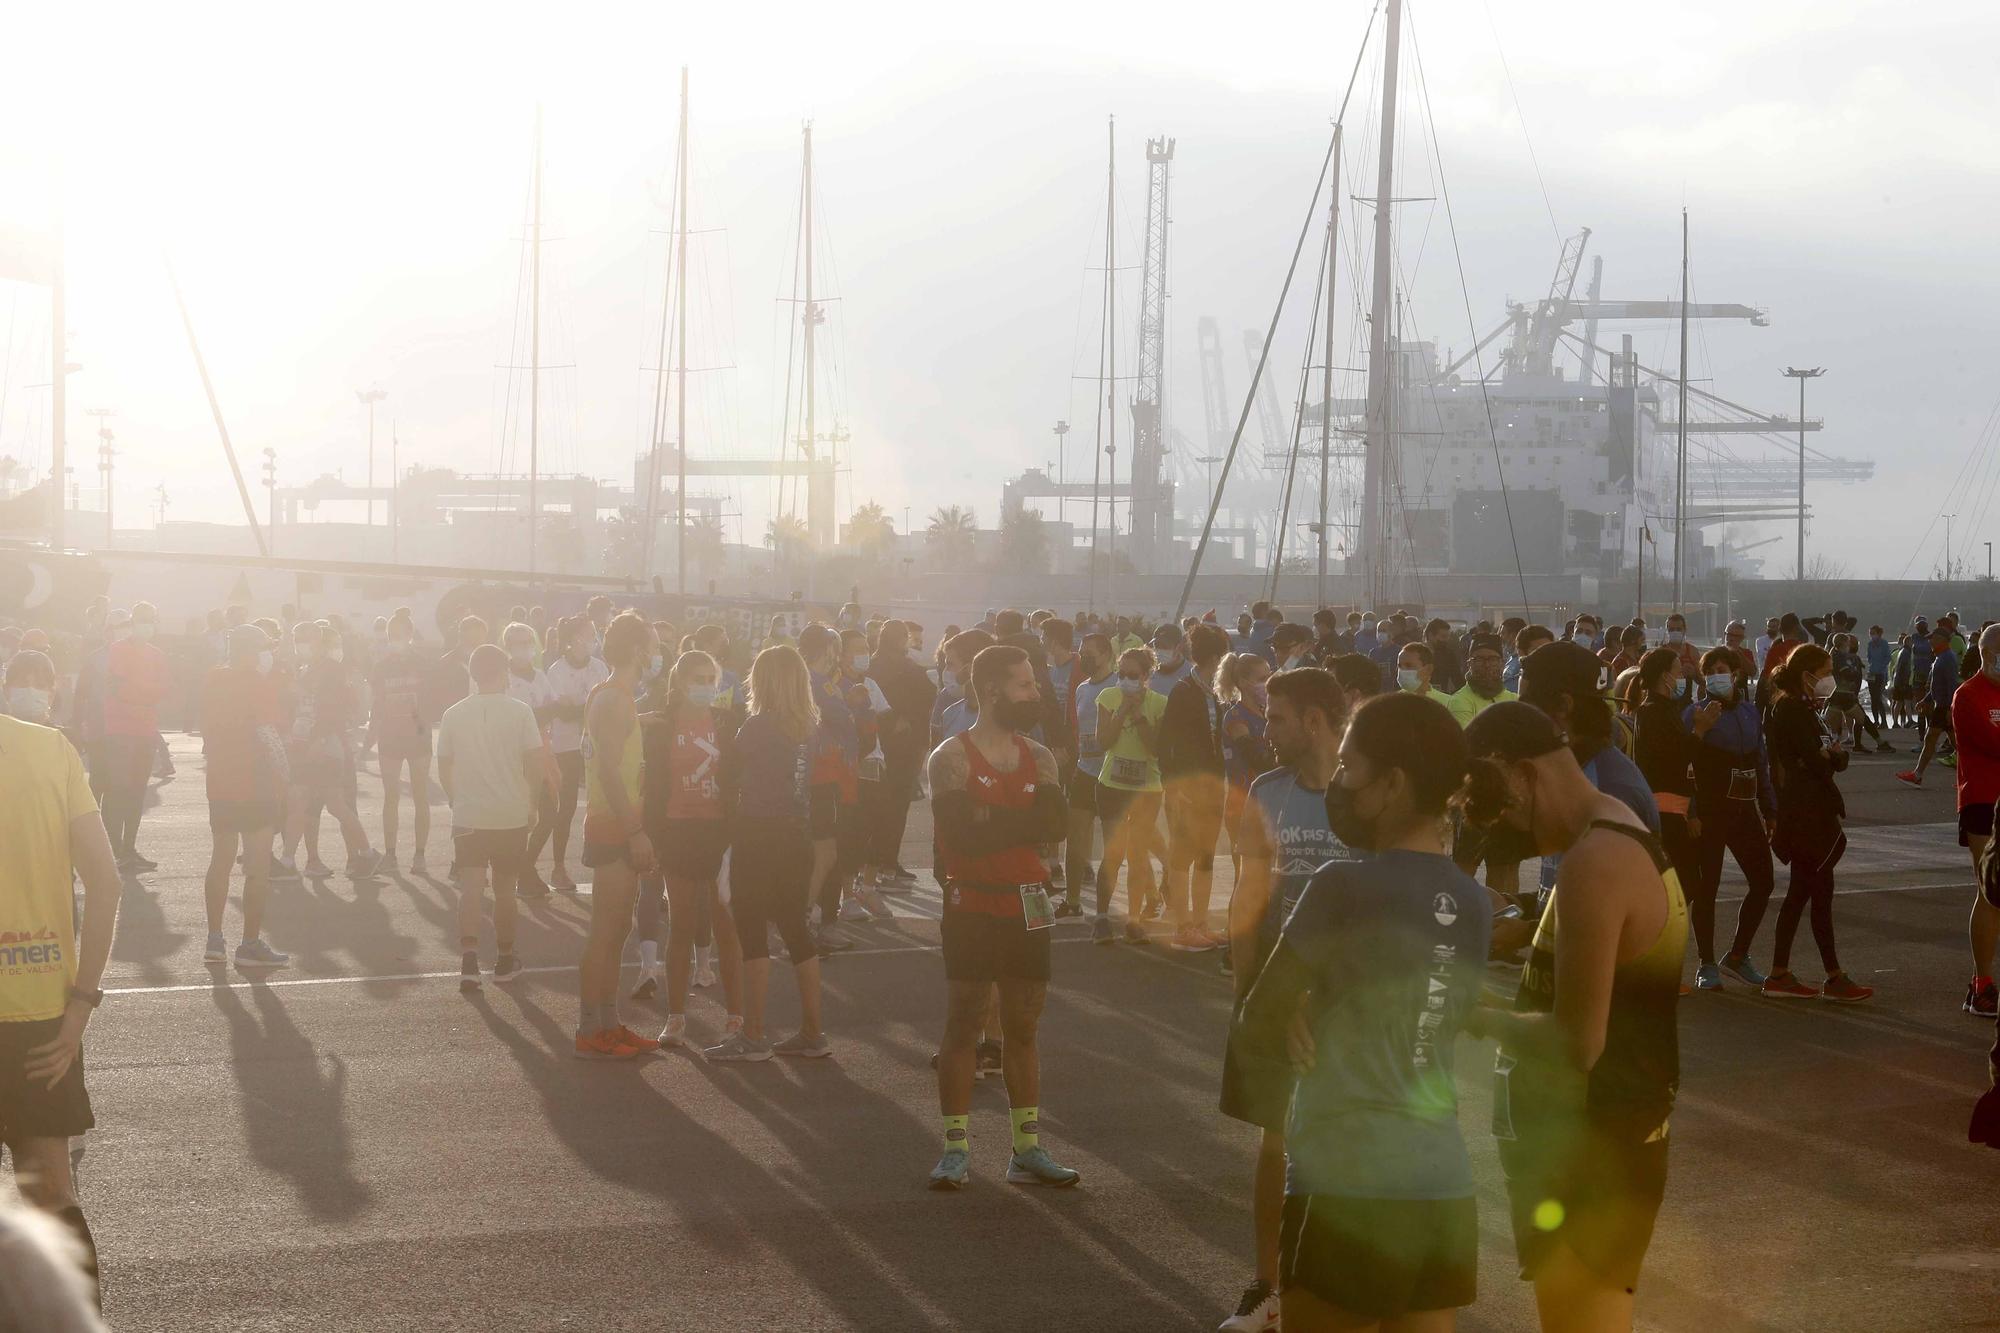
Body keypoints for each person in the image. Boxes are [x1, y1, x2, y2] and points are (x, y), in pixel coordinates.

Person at [1228, 691, 1488, 1332]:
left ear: (1392, 783)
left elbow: (1259, 1018)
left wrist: (1292, 1008)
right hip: (1442, 1186)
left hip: (1346, 1185)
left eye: (1349, 768)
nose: (1338, 783)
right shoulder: (1475, 901)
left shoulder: (1340, 885)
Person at [1461, 702, 1686, 1333]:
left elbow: (1575, 1043)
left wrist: (1471, 1015)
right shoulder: (1612, 835)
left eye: (1504, 804)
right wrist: (1521, 933)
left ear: (1519, 770)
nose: (1513, 827)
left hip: (1594, 1147)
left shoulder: (1595, 860)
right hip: (1604, 1138)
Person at [1216, 666, 1356, 1333]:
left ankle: (1342, 1283)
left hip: (1353, 1004)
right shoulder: (1267, 792)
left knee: (1356, 1141)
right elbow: (1249, 899)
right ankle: (1269, 1286)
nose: (1262, 727)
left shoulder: (1371, 795)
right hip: (1279, 994)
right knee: (1279, 1142)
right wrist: (1250, 997)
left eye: (1275, 717)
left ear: (1316, 720)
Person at [924, 644, 1077, 1190]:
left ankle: (1027, 1148)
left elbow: (1055, 824)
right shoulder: (951, 757)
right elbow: (963, 835)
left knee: (1023, 1025)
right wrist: (1022, 819)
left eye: (1034, 684)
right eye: (1024, 686)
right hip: (972, 901)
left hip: (1029, 901)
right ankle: (955, 1148)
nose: (1036, 694)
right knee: (964, 1021)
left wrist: (995, 818)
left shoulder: (1041, 756)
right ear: (991, 691)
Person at [0, 679, 121, 1307]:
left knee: (48, 1191)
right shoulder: (51, 749)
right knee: (49, 1190)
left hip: (43, 1017)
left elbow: (106, 882)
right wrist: (80, 1005)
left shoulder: (52, 750)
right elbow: (106, 882)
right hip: (42, 1014)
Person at [706, 644, 829, 1062]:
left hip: (757, 833)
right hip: (798, 834)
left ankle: (754, 1033)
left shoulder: (757, 727)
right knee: (796, 928)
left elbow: (727, 774)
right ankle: (813, 1030)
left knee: (752, 931)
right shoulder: (810, 725)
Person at [637, 649, 745, 1042]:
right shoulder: (662, 724)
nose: (704, 687)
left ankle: (736, 1018)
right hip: (678, 833)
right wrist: (649, 835)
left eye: (710, 680)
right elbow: (650, 788)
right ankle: (676, 1016)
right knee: (681, 924)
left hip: (719, 834)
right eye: (697, 679)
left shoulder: (727, 721)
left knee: (726, 926)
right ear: (681, 682)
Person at [572, 613, 663, 1060]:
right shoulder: (613, 699)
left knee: (618, 927)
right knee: (605, 931)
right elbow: (607, 769)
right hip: (614, 828)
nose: (655, 652)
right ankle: (591, 1027)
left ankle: (608, 1021)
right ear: (636, 650)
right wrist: (635, 831)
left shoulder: (620, 699)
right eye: (650, 644)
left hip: (620, 824)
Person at [1761, 645, 1872, 1001]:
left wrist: (1830, 757)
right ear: (1807, 673)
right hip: (1806, 813)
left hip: (1815, 809)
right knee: (1810, 893)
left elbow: (1831, 756)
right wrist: (1829, 757)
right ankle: (1809, 974)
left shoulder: (1809, 709)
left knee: (1812, 893)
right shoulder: (1791, 708)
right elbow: (1816, 759)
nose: (1829, 677)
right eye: (1824, 670)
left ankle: (1811, 973)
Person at [436, 644, 543, 991]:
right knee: (505, 890)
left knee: (470, 888)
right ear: (504, 672)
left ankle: (469, 961)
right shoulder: (520, 711)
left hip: (469, 813)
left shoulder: (454, 713)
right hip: (510, 813)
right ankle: (504, 958)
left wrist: (456, 799)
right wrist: (533, 803)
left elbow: (444, 764)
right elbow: (535, 763)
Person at [199, 625, 299, 967]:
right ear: (252, 651)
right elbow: (268, 735)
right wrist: (286, 780)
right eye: (264, 649)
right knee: (257, 867)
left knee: (221, 861)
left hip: (221, 781)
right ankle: (250, 942)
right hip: (255, 783)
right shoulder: (259, 684)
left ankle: (214, 940)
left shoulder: (213, 679)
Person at [1632, 647, 1716, 988]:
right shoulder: (1653, 711)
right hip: (1665, 810)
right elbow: (1674, 760)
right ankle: (1656, 966)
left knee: (1683, 889)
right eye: (1678, 672)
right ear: (1664, 676)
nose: (1682, 677)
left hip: (1676, 808)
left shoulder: (1664, 709)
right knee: (1676, 891)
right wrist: (1700, 731)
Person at [1160, 623, 1231, 952]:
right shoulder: (1183, 690)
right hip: (1188, 787)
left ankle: (1200, 923)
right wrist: (1173, 785)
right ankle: (1182, 926)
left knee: (1206, 855)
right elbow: (1166, 743)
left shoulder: (1218, 692)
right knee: (1182, 856)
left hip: (1213, 785)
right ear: (1214, 656)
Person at [1096, 646, 1170, 942]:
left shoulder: (1160, 703)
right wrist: (1123, 710)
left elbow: (1155, 748)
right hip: (1112, 785)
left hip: (1146, 789)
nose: (1126, 679)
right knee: (1112, 854)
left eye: (1133, 675)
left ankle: (1134, 918)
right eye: (1122, 673)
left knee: (1138, 855)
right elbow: (1104, 741)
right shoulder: (1108, 698)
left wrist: (1138, 714)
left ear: (1146, 676)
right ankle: (1101, 918)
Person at [532, 617, 608, 892]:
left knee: (601, 803)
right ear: (572, 638)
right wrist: (585, 708)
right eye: (587, 634)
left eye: (593, 633)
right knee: (564, 809)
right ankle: (557, 867)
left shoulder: (599, 667)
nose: (592, 638)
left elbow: (601, 707)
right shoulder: (557, 670)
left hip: (596, 744)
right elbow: (561, 711)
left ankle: (604, 863)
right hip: (566, 746)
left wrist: (580, 708)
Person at [1950, 624, 2000, 1018]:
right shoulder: (1967, 695)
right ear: (1983, 652)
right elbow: (1990, 742)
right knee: (1990, 891)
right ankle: (1982, 982)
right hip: (1983, 801)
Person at [100, 600, 169, 871]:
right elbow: (118, 688)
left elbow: (163, 690)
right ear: (133, 620)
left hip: (145, 731)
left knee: (137, 792)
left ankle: (128, 848)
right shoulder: (117, 650)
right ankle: (111, 850)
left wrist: (139, 691)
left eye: (151, 618)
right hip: (120, 731)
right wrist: (144, 693)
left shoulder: (157, 655)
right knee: (118, 791)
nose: (146, 624)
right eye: (142, 618)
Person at [868, 620, 938, 887]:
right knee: (896, 808)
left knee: (875, 808)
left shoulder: (873, 667)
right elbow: (928, 698)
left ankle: (872, 864)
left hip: (876, 745)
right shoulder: (910, 668)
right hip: (902, 746)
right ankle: (888, 862)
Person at [370, 610, 435, 876]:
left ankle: (420, 854)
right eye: (392, 635)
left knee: (421, 795)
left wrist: (423, 724)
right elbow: (376, 704)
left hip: (418, 736)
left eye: (401, 634)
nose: (397, 639)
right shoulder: (381, 665)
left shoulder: (423, 663)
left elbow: (431, 699)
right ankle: (390, 853)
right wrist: (370, 739)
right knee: (391, 796)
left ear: (410, 635)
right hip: (390, 737)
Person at [1067, 633, 1117, 925]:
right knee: (1075, 841)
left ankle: (1147, 893)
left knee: (1118, 846)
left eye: (1090, 653)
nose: (1084, 658)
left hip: (1113, 774)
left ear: (1106, 654)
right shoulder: (1082, 689)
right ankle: (1072, 902)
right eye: (1082, 653)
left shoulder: (1118, 686)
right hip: (1085, 770)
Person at [1898, 625, 1960, 788]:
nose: (1929, 641)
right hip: (1941, 705)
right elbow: (1936, 685)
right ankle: (1969, 777)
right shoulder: (1940, 657)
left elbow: (1952, 685)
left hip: (1944, 707)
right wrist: (1926, 699)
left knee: (1931, 738)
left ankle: (1917, 775)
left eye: (1932, 638)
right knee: (1956, 744)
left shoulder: (1947, 658)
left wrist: (1949, 709)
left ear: (1941, 640)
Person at [1447, 633, 1517, 728]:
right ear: (1469, 664)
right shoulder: (1460, 701)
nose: (1487, 665)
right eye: (1479, 659)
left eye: (1493, 659)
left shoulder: (1514, 700)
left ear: (1502, 664)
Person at [5, 649, 58, 723]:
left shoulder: (60, 734)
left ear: (51, 694)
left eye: (40, 685)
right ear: (6, 690)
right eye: (23, 683)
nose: (31, 691)